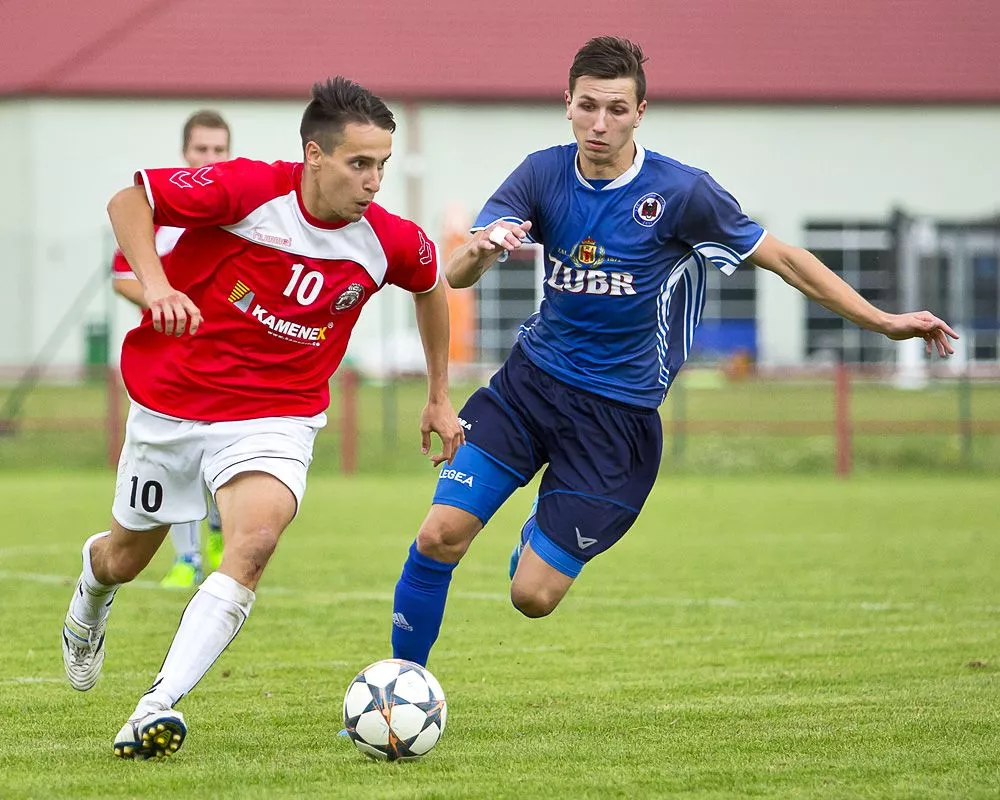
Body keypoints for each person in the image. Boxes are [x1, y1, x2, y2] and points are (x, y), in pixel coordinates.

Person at [387, 36, 958, 669]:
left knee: (533, 597)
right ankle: (401, 686)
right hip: (529, 388)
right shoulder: (541, 173)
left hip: (616, 420)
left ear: (640, 112)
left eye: (616, 109)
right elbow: (457, 274)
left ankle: (537, 539)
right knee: (440, 535)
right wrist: (482, 246)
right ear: (567, 103)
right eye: (587, 106)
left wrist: (883, 321)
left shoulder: (683, 193)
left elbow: (787, 260)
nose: (599, 123)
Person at [62, 76, 464, 760]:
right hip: (175, 399)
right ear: (315, 154)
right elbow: (129, 201)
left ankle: (156, 705)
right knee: (124, 558)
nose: (373, 181)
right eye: (358, 163)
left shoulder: (387, 239)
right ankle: (91, 595)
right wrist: (157, 287)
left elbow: (431, 287)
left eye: (382, 165)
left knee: (253, 543)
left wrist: (438, 393)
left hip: (276, 414)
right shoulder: (248, 189)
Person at [112, 109, 232, 588]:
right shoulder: (161, 211)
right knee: (176, 463)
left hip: (227, 360)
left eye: (219, 149)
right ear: (185, 152)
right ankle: (188, 559)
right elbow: (122, 276)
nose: (210, 157)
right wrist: (165, 300)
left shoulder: (241, 211)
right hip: (171, 360)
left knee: (220, 460)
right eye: (202, 149)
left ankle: (219, 529)